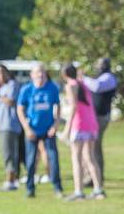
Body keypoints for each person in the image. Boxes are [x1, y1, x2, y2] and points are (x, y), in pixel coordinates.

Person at [17, 62, 62, 198]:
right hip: (32, 130)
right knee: (30, 161)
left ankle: (57, 187)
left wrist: (55, 125)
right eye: (37, 72)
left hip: (48, 130)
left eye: (42, 72)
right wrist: (27, 128)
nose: (40, 75)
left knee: (53, 158)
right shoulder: (27, 89)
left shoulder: (52, 88)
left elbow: (58, 107)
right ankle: (30, 189)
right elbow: (20, 109)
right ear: (32, 75)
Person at [61, 64, 104, 201]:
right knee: (90, 157)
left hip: (79, 124)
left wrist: (67, 129)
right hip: (91, 123)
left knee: (77, 158)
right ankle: (98, 190)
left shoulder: (70, 85)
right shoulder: (83, 84)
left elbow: (73, 106)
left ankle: (78, 191)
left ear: (64, 75)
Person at [82, 58, 117, 186]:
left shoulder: (109, 77)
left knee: (94, 148)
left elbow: (96, 87)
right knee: (90, 147)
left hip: (100, 117)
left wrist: (83, 78)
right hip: (94, 117)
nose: (99, 67)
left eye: (101, 65)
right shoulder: (99, 77)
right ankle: (91, 176)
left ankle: (96, 177)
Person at [0, 65, 23, 191]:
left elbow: (11, 101)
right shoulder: (2, 87)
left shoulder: (12, 85)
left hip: (11, 124)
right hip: (2, 124)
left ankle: (10, 181)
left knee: (9, 153)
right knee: (8, 153)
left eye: (0, 73)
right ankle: (13, 179)